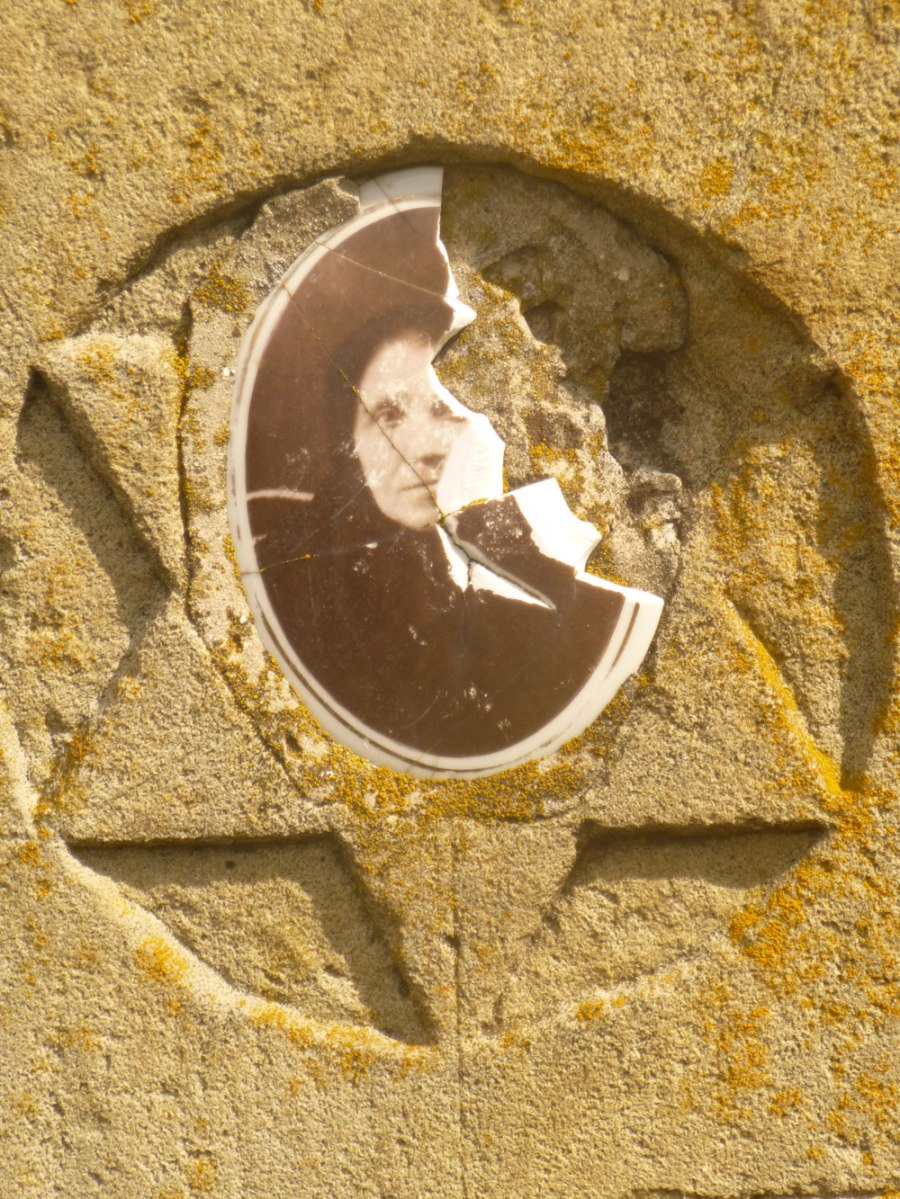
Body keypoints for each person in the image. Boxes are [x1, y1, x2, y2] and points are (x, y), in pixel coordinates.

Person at [245, 298, 658, 774]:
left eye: (444, 413)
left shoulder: (517, 600)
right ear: (349, 442)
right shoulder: (293, 589)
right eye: (389, 416)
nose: (425, 450)